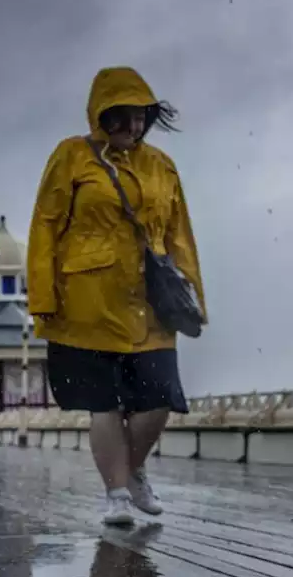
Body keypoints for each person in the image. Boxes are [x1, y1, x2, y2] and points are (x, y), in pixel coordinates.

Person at [26, 66, 207, 525]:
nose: (132, 127)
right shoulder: (71, 157)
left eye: (140, 116)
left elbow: (179, 234)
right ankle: (117, 496)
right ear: (99, 115)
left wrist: (193, 297)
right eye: (120, 117)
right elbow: (46, 226)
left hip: (151, 302)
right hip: (86, 301)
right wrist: (43, 299)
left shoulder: (162, 165)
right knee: (103, 402)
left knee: (160, 400)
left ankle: (132, 469)